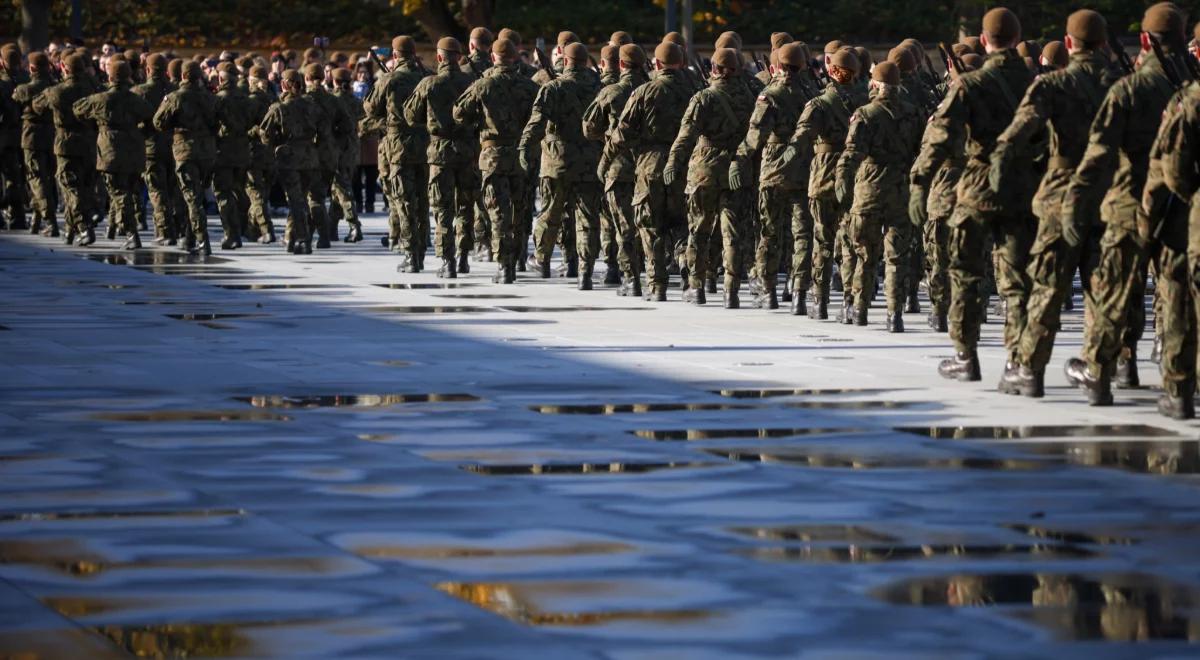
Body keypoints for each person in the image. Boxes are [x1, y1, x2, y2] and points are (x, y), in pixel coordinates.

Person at [1062, 2, 1189, 406]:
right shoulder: (1192, 85)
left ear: (1146, 40)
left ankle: (1102, 371)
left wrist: (1075, 202)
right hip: (1181, 205)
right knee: (1174, 293)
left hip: (1129, 203)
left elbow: (1099, 154)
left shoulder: (1129, 88)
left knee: (1114, 290)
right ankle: (1178, 386)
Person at [987, 9, 1116, 397]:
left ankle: (1030, 368)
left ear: (1070, 41)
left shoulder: (1053, 85)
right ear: (1105, 44)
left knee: (1047, 287)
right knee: (1101, 290)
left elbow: (1015, 136)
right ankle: (1098, 372)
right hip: (1107, 196)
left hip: (1061, 195)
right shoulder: (1121, 86)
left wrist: (1005, 179)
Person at [911, 7, 1035, 384]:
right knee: (1017, 280)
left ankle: (966, 356)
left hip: (978, 188)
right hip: (1023, 188)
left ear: (984, 41)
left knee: (965, 273)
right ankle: (1020, 363)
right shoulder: (1038, 82)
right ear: (1016, 39)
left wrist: (920, 181)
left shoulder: (971, 84)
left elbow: (940, 137)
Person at [835, 60, 925, 330]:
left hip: (870, 191)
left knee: (865, 254)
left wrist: (842, 180)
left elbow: (852, 154)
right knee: (897, 257)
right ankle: (894, 315)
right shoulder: (915, 113)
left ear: (874, 84)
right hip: (901, 191)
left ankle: (859, 310)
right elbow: (922, 151)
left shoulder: (865, 114)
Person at [667, 47, 755, 308]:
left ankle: (697, 286)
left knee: (699, 229)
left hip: (705, 169)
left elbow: (686, 136)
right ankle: (731, 290)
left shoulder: (703, 97)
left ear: (714, 70)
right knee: (733, 232)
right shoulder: (752, 98)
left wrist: (673, 162)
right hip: (738, 169)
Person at [733, 42, 813, 310]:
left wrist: (739, 159)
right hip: (804, 170)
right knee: (801, 233)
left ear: (776, 66)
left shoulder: (770, 95)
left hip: (774, 170)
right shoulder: (812, 93)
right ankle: (799, 291)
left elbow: (755, 135)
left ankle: (768, 292)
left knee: (769, 232)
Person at [452, 38, 540, 283]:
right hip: (522, 155)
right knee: (521, 208)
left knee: (498, 212)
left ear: (493, 58)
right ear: (515, 58)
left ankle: (504, 266)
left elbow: (459, 113)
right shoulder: (529, 87)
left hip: (493, 156)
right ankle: (520, 256)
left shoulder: (483, 85)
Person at [613, 41, 695, 301]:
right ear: (681, 63)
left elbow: (622, 134)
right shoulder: (696, 90)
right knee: (681, 223)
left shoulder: (644, 91)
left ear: (657, 64)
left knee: (651, 225)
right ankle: (686, 268)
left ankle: (657, 284)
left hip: (650, 164)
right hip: (684, 163)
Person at [786, 48, 862, 320]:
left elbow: (802, 136)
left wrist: (787, 156)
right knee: (851, 242)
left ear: (831, 71)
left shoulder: (819, 104)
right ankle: (851, 302)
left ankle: (818, 302)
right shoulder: (866, 101)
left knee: (822, 240)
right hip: (855, 177)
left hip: (823, 175)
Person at [521, 42, 603, 289]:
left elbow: (536, 123)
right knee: (587, 217)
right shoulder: (600, 86)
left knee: (550, 213)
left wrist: (525, 148)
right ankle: (585, 269)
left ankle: (542, 260)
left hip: (557, 160)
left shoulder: (553, 87)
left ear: (565, 61)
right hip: (590, 160)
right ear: (586, 61)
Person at [403, 37, 475, 277]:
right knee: (465, 206)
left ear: (440, 57)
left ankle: (448, 260)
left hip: (440, 152)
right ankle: (464, 257)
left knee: (443, 208)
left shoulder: (429, 83)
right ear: (459, 56)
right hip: (467, 151)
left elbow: (411, 116)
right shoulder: (471, 81)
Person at [584, 43, 651, 297]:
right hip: (647, 164)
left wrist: (609, 136)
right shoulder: (652, 89)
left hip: (619, 166)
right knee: (649, 223)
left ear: (620, 65)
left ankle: (629, 278)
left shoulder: (611, 92)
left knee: (622, 226)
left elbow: (589, 127)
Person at [72, 59, 154, 249]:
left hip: (110, 149)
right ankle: (115, 226)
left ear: (110, 76)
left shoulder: (100, 99)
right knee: (127, 191)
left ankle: (131, 234)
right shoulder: (136, 99)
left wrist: (96, 125)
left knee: (118, 192)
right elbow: (151, 118)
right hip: (134, 148)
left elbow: (77, 109)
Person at [153, 60, 218, 255]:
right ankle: (190, 236)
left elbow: (158, 122)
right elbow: (217, 123)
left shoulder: (174, 98)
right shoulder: (210, 98)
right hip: (207, 152)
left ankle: (201, 239)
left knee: (192, 198)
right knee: (196, 197)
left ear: (183, 76)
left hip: (185, 151)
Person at [33, 54, 96, 246]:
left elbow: (37, 105)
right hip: (88, 142)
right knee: (83, 187)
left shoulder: (57, 91)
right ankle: (70, 229)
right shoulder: (93, 88)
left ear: (64, 67)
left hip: (66, 144)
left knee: (70, 187)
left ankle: (83, 227)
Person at [259, 69, 318, 254]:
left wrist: (276, 143)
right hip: (309, 157)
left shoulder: (279, 108)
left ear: (284, 85)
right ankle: (291, 238)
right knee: (300, 199)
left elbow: (265, 134)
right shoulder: (311, 105)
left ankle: (303, 238)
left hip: (289, 157)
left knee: (295, 201)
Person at [12, 52, 58, 236]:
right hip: (52, 135)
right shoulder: (54, 85)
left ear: (31, 68)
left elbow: (15, 98)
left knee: (36, 178)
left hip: (32, 136)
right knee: (45, 178)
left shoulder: (26, 89)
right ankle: (37, 220)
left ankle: (50, 220)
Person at [212, 62, 255, 249]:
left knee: (223, 193)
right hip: (243, 151)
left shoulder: (217, 99)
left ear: (221, 78)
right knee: (241, 192)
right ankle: (244, 228)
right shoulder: (247, 99)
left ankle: (232, 233)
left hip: (223, 152)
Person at [329, 66, 365, 243]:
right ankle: (331, 228)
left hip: (336, 150)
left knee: (342, 190)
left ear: (334, 82)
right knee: (338, 190)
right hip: (352, 150)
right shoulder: (355, 100)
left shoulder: (333, 100)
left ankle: (354, 225)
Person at [244, 64, 276, 243]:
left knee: (255, 193)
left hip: (254, 152)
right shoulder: (273, 100)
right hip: (270, 153)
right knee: (260, 195)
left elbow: (245, 127)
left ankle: (266, 229)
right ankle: (251, 229)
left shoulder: (250, 101)